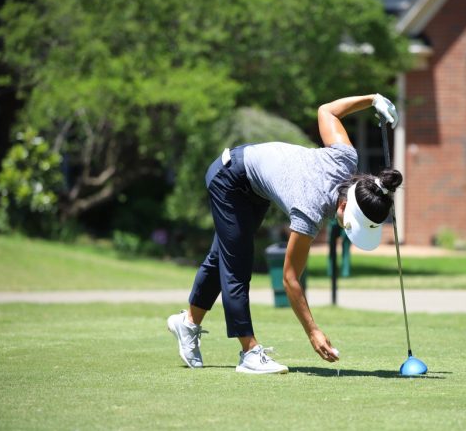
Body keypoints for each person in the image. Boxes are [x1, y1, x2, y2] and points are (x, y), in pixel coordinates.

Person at [167, 93, 403, 374]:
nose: (347, 226)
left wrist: (371, 100)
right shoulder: (310, 207)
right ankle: (250, 353)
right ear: (343, 204)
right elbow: (290, 278)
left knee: (222, 257)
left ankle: (188, 323)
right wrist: (313, 331)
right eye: (351, 220)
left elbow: (327, 112)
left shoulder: (345, 158)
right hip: (229, 178)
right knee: (237, 267)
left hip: (252, 185)